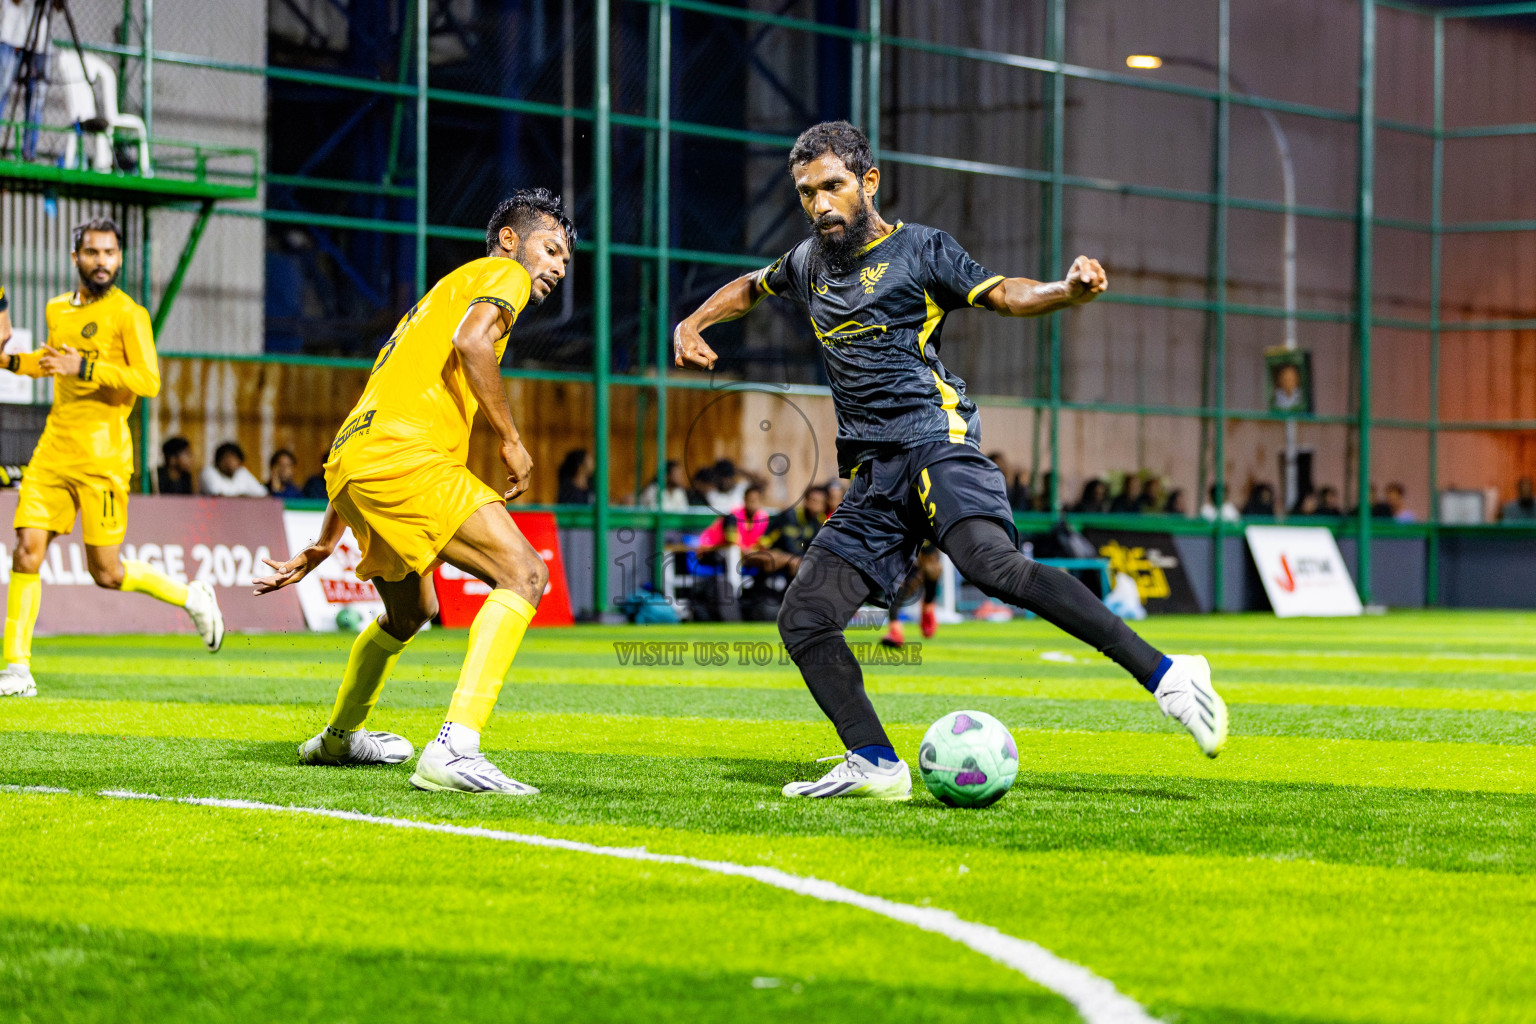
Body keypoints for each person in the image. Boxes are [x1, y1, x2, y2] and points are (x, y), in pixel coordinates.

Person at [672, 121, 1226, 799]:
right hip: (874, 475)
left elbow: (1004, 294)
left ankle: (1169, 674)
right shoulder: (806, 263)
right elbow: (751, 288)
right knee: (805, 618)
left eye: (834, 186)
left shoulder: (922, 249)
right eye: (807, 192)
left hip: (937, 441)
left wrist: (1066, 291)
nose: (820, 204)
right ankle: (875, 762)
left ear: (867, 182)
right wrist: (691, 324)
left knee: (990, 565)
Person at [254, 188, 574, 795]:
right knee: (525, 573)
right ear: (510, 239)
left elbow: (362, 435)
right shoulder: (500, 273)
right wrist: (510, 438)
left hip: (355, 459)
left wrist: (324, 544)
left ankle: (340, 738)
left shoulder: (427, 307)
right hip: (404, 457)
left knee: (412, 612)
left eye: (565, 258)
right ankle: (456, 749)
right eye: (550, 248)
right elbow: (473, 342)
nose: (558, 265)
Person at [0, 217, 224, 697]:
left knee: (106, 573)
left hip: (104, 460)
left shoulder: (130, 314)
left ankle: (191, 597)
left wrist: (84, 364)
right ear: (75, 256)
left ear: (119, 258)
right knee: (26, 550)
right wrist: (10, 359)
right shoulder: (56, 308)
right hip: (52, 453)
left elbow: (149, 381)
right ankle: (16, 668)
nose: (102, 261)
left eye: (110, 253)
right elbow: (50, 362)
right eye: (93, 252)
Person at [201, 441, 269, 497]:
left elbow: (264, 494)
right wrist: (244, 497)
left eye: (234, 459)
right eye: (226, 458)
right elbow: (219, 496)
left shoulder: (242, 472)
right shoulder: (209, 472)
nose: (230, 462)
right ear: (218, 460)